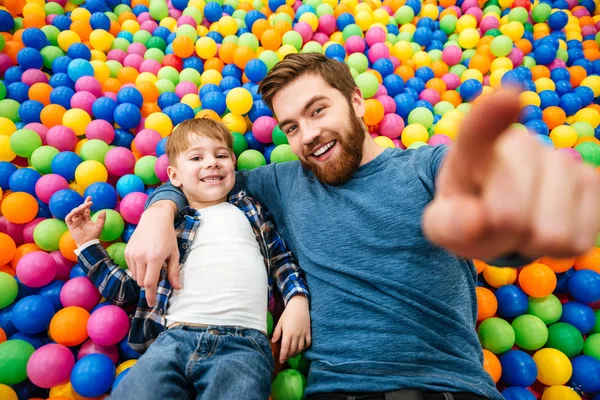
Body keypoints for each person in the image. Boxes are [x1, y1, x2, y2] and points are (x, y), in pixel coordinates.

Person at [125, 53, 600, 400]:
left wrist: (514, 221)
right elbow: (204, 181)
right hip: (339, 390)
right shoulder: (283, 182)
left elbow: (486, 202)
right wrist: (159, 210)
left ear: (356, 101)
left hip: (450, 387)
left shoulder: (428, 166)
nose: (307, 135)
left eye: (318, 110)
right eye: (291, 127)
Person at [66, 118, 311, 400]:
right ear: (174, 176)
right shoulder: (171, 226)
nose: (212, 162)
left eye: (221, 155)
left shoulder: (250, 208)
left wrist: (297, 300)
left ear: (233, 163)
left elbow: (281, 259)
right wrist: (87, 244)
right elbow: (127, 290)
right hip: (173, 339)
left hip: (244, 345)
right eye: (197, 157)